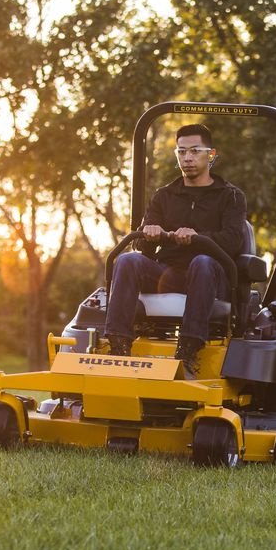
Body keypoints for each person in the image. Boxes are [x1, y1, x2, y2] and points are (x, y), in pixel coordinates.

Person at [104, 123, 248, 378]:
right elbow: (142, 247)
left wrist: (197, 237)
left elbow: (234, 240)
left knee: (201, 262)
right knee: (127, 261)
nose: (187, 158)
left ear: (211, 154)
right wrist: (149, 234)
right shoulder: (164, 196)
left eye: (194, 151)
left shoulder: (231, 196)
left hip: (211, 277)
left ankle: (188, 350)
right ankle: (118, 347)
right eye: (182, 152)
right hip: (167, 275)